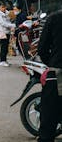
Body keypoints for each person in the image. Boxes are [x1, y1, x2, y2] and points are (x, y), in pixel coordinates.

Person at [38, 10, 62, 142]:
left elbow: (42, 49)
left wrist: (52, 64)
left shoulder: (54, 18)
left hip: (56, 75)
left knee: (48, 125)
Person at [0, 2, 15, 67]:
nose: (4, 8)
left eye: (4, 7)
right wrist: (12, 25)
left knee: (6, 47)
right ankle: (2, 61)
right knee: (3, 47)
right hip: (2, 32)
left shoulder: (7, 13)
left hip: (7, 32)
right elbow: (3, 24)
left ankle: (5, 60)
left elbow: (10, 20)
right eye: (2, 7)